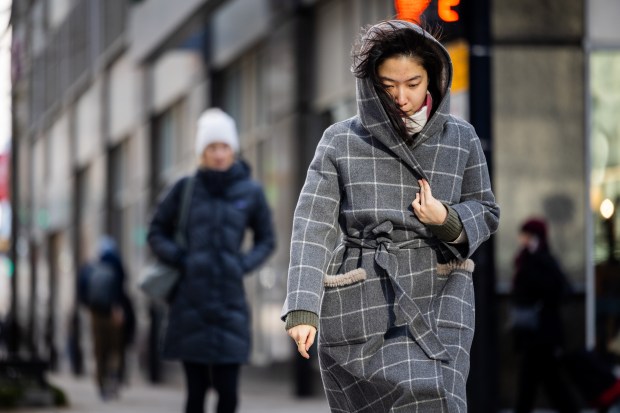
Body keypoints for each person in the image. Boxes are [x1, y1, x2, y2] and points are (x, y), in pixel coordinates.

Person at [281, 20, 500, 412]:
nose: (401, 97)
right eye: (388, 86)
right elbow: (312, 224)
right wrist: (303, 307)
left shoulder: (461, 137)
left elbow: (486, 211)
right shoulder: (341, 140)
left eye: (413, 83)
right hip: (365, 296)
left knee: (436, 395)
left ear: (432, 78)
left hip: (439, 292)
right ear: (370, 85)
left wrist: (445, 219)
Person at [147, 108, 276, 413]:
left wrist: (241, 264)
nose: (219, 154)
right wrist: (181, 258)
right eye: (212, 147)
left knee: (228, 393)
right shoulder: (185, 189)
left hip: (230, 303)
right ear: (201, 151)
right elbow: (156, 231)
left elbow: (267, 239)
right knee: (196, 393)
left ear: (233, 148)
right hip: (190, 302)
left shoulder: (251, 191)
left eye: (224, 146)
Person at [510, 218, 578, 413]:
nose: (523, 239)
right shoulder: (524, 259)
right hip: (531, 335)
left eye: (528, 236)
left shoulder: (543, 260)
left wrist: (536, 258)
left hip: (544, 335)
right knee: (539, 385)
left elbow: (561, 290)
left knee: (546, 385)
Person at [78, 235, 133, 401]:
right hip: (114, 313)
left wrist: (91, 307)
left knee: (100, 351)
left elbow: (81, 294)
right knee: (115, 350)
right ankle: (113, 383)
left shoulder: (89, 268)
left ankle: (101, 385)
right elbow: (121, 291)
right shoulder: (117, 266)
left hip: (96, 314)